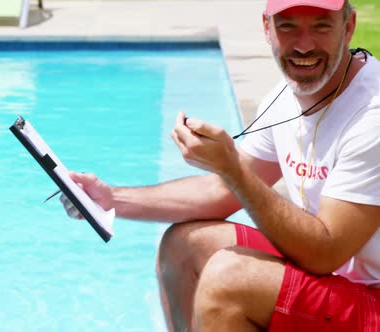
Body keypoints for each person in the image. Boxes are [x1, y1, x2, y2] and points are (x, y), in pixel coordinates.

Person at [60, 0, 380, 330]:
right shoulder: (284, 99)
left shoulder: (372, 113)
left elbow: (325, 253)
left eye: (320, 26)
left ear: (349, 26)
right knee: (184, 245)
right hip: (337, 281)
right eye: (288, 26)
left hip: (371, 300)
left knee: (229, 279)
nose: (303, 44)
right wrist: (111, 199)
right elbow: (221, 191)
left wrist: (232, 167)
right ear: (267, 28)